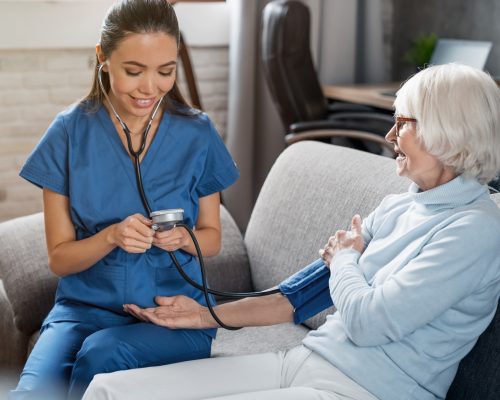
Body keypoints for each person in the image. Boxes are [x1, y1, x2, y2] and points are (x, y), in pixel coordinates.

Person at [83, 63, 500, 400]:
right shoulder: (401, 205)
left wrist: (346, 260)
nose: (390, 135)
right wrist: (197, 314)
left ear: (448, 131)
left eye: (403, 123)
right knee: (109, 390)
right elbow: (296, 297)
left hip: (364, 389)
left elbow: (369, 323)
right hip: (305, 359)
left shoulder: (475, 231)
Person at [11, 1, 239, 399]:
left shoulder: (198, 134)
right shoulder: (68, 133)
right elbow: (59, 258)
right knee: (32, 392)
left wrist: (184, 238)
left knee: (102, 355)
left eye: (165, 71)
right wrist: (111, 237)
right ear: (103, 58)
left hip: (174, 314)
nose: (150, 87)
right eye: (134, 71)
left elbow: (213, 238)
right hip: (82, 311)